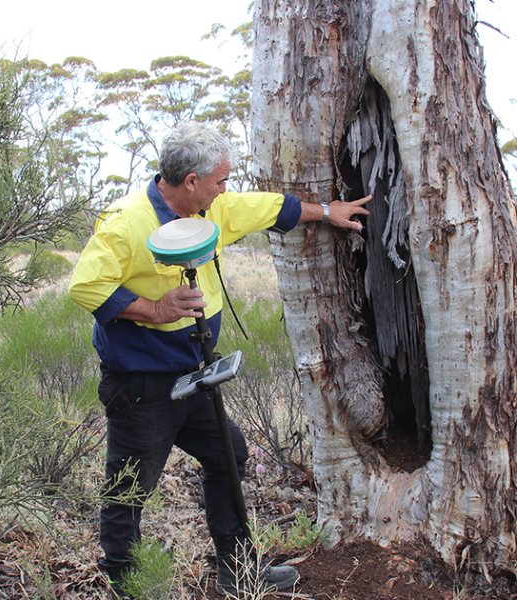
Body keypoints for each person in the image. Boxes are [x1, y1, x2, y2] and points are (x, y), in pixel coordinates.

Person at [68, 122, 371, 598]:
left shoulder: (212, 209)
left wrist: (328, 211)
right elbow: (85, 285)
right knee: (130, 486)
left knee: (228, 454)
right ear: (192, 181)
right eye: (221, 181)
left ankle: (238, 570)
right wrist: (154, 309)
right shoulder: (127, 222)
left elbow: (270, 207)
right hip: (144, 384)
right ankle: (127, 583)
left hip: (196, 375)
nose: (226, 189)